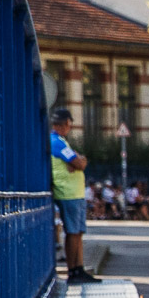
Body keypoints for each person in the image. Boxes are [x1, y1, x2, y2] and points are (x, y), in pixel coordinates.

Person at [49, 107, 100, 283]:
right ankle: (74, 271)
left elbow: (78, 162)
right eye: (69, 125)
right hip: (67, 193)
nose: (70, 129)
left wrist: (78, 161)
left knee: (77, 232)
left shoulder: (61, 142)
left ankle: (79, 268)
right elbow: (80, 163)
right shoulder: (56, 142)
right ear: (63, 124)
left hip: (74, 193)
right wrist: (79, 161)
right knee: (72, 232)